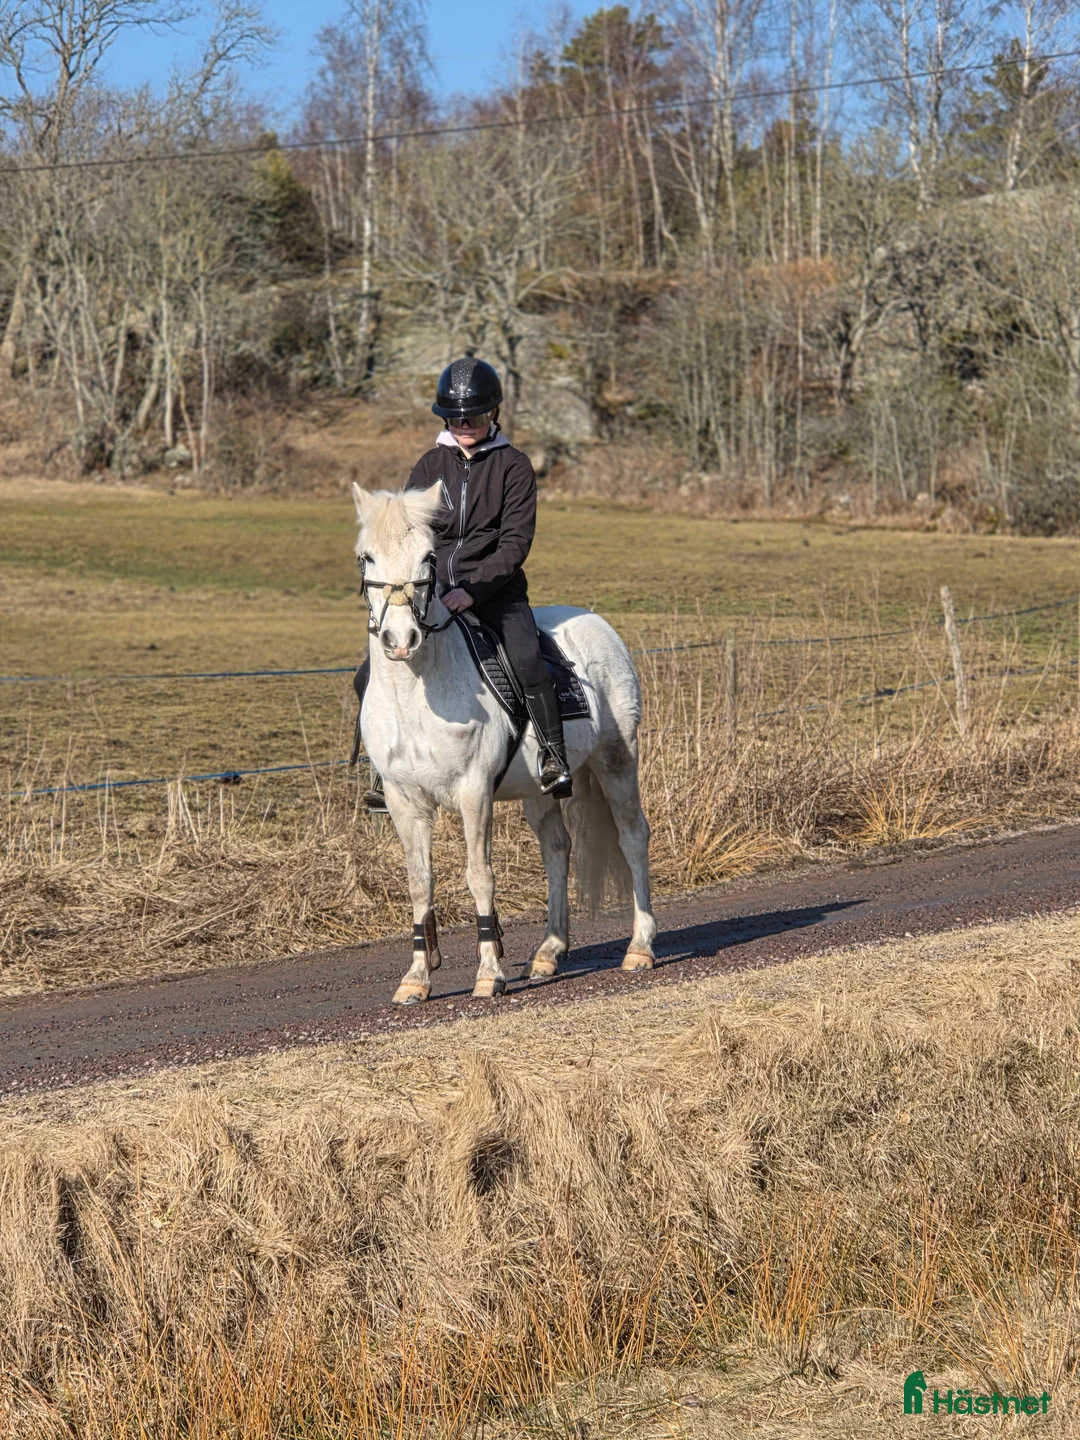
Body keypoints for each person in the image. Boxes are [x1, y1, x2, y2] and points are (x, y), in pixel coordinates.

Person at [352, 356, 573, 813]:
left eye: (471, 415)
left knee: (530, 661)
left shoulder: (513, 466)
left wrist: (473, 589)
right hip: (430, 591)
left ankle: (553, 756)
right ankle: (383, 770)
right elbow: (405, 534)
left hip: (496, 590)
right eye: (453, 417)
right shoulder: (431, 462)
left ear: (493, 412)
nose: (462, 423)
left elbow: (515, 543)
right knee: (367, 673)